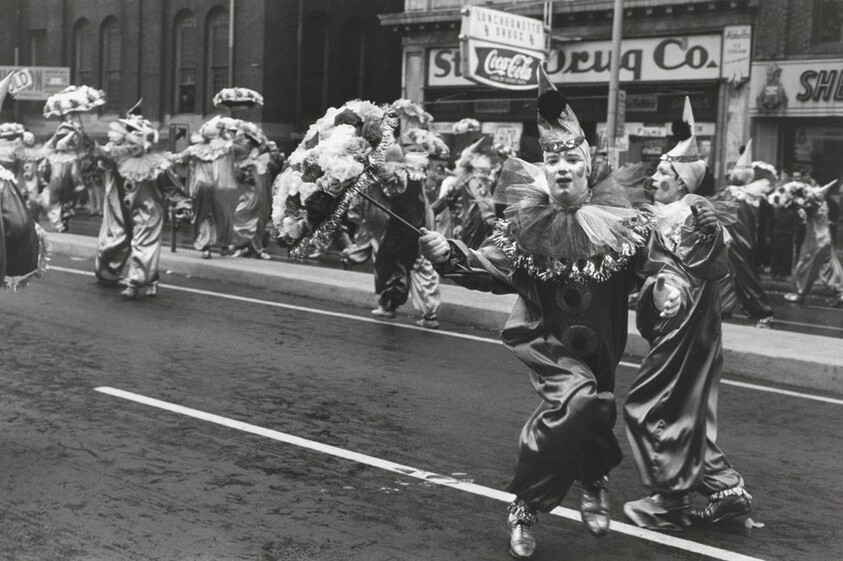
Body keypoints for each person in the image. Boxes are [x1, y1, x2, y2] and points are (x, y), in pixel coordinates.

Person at [419, 67, 685, 559]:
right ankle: (525, 506)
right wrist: (446, 253)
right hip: (546, 341)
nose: (561, 168)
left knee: (598, 408)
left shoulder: (622, 224)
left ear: (587, 168)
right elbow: (487, 268)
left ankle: (593, 476)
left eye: (571, 160)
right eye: (552, 160)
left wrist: (666, 289)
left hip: (602, 342)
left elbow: (655, 271)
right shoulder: (527, 226)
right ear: (544, 170)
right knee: (577, 401)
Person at [624, 98, 752, 530]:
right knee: (685, 412)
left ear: (682, 183)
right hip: (680, 330)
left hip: (685, 331)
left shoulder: (694, 218)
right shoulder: (663, 216)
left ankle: (670, 503)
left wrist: (670, 291)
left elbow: (690, 270)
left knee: (652, 408)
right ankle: (726, 488)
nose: (654, 177)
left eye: (663, 173)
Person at [94, 106, 192, 299]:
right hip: (124, 210)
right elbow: (105, 157)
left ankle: (134, 283)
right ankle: (142, 277)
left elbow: (171, 186)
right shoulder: (120, 159)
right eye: (130, 142)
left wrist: (183, 204)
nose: (132, 147)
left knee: (144, 245)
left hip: (149, 210)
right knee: (116, 242)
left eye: (136, 143)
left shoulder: (156, 164)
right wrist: (89, 144)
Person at [371, 143, 441, 328]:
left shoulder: (394, 174)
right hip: (417, 228)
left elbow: (388, 194)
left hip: (399, 230)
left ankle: (388, 306)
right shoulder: (415, 174)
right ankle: (430, 315)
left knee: (388, 266)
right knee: (421, 271)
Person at [712, 140, 776, 327]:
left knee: (743, 278)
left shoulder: (729, 193)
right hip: (744, 242)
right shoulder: (756, 197)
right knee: (727, 276)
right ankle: (722, 307)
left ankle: (762, 312)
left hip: (734, 243)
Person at [784, 180, 843, 307]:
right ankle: (840, 292)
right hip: (825, 238)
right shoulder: (821, 204)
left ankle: (799, 293)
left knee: (805, 264)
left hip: (815, 239)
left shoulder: (812, 204)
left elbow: (798, 206)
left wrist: (796, 201)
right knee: (828, 267)